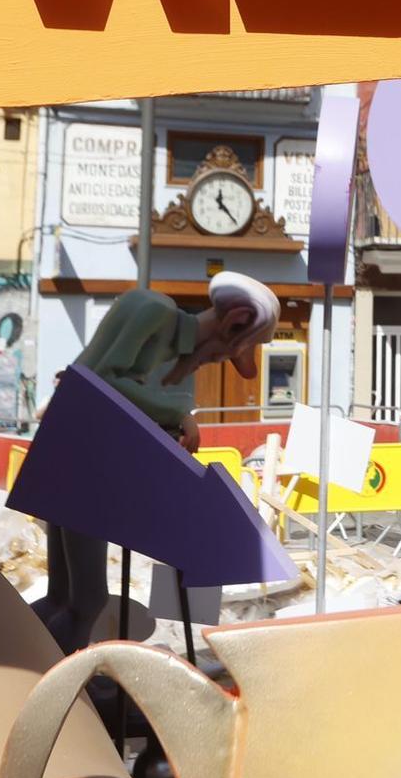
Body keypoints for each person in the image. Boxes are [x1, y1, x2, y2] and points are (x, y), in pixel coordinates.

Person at [33, 271, 279, 656]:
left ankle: (27, 663)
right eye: (221, 354)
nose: (212, 362)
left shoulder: (159, 328)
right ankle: (51, 680)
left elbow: (111, 391)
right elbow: (99, 383)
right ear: (234, 323)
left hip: (71, 455)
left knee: (64, 595)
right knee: (87, 599)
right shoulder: (155, 311)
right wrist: (181, 413)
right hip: (79, 464)